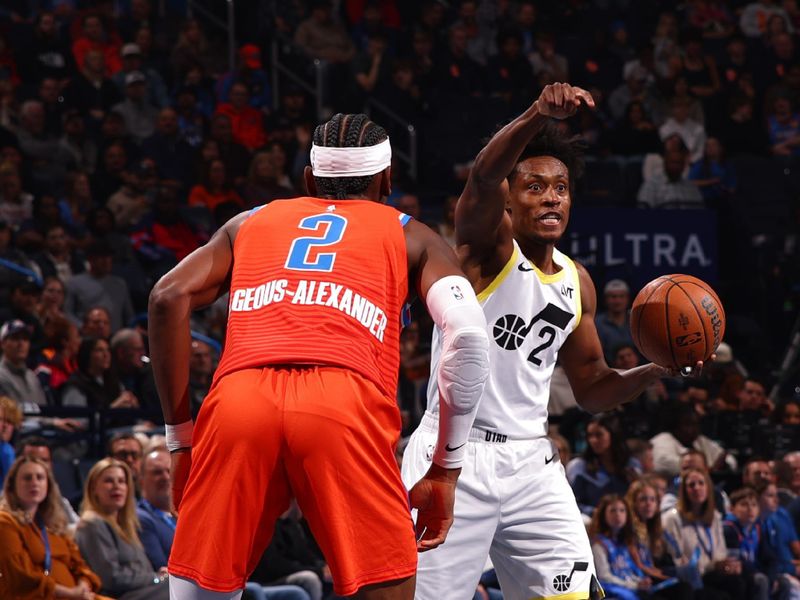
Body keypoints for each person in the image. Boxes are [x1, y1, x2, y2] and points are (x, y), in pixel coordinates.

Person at [147, 112, 490, 599]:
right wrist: (445, 468)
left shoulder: (249, 222)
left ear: (309, 179)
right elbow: (470, 338)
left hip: (240, 400)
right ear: (387, 180)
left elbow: (166, 297)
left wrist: (181, 439)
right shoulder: (414, 235)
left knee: (204, 583)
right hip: (343, 401)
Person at [401, 82, 693, 600]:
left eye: (560, 187)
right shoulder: (484, 248)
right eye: (534, 186)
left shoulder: (577, 282)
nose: (551, 197)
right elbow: (485, 173)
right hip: (453, 458)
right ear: (509, 198)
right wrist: (539, 113)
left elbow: (593, 388)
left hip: (532, 462)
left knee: (575, 595)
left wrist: (655, 368)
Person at [0, 456, 109, 600]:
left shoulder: (53, 525)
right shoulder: (5, 521)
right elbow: (20, 576)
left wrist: (83, 586)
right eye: (27, 478)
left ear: (48, 485)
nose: (34, 483)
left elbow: (79, 566)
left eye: (40, 478)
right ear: (12, 486)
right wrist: (70, 594)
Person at [76, 458, 169, 600]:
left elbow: (141, 569)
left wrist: (159, 575)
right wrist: (156, 578)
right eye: (108, 481)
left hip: (143, 591)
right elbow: (111, 578)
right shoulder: (92, 524)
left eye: (121, 481)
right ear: (93, 488)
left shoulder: (126, 524)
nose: (116, 486)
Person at [662, 468, 747, 599]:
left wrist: (726, 564)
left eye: (701, 483)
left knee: (741, 579)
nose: (697, 488)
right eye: (691, 485)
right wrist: (713, 565)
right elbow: (678, 558)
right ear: (684, 491)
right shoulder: (672, 519)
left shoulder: (714, 516)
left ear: (708, 488)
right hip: (692, 576)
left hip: (712, 572)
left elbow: (721, 551)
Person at [626, 480, 696, 597]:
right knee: (683, 589)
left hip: (655, 578)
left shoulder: (657, 530)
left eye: (652, 500)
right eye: (643, 499)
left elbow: (676, 555)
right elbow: (640, 566)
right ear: (633, 503)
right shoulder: (629, 530)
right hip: (638, 581)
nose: (649, 504)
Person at [136, 448, 175, 570]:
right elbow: (161, 565)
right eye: (157, 472)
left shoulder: (186, 512)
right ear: (141, 480)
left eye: (169, 471)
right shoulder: (141, 518)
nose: (166, 477)